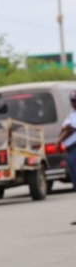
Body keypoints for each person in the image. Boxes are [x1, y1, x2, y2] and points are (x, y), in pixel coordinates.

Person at [58, 91, 76, 223]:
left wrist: (58, 142)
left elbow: (69, 130)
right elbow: (64, 128)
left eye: (75, 100)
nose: (73, 102)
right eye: (72, 100)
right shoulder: (71, 114)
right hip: (70, 151)